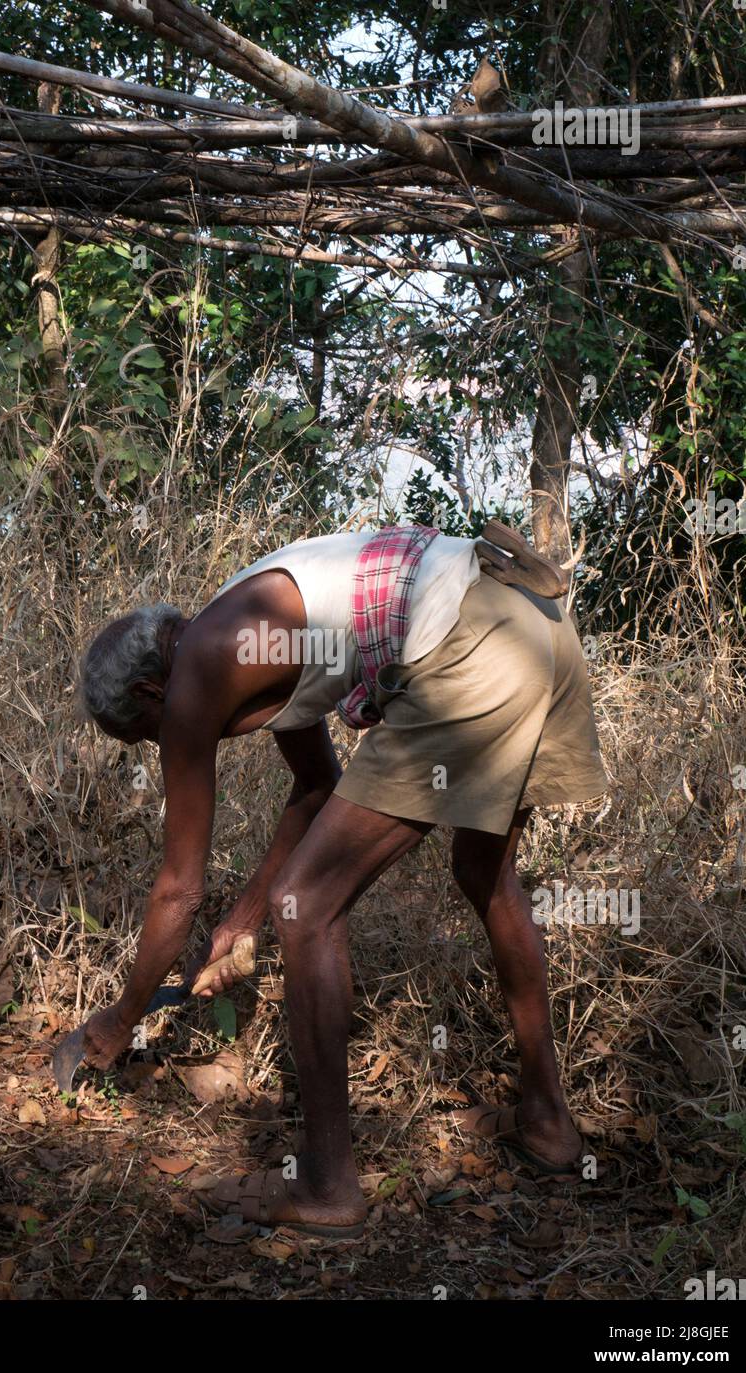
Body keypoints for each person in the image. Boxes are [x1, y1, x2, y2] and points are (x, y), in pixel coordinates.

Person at [74, 523, 607, 1237]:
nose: (167, 741)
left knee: (310, 909)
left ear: (151, 690)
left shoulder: (201, 667)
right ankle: (547, 1123)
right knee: (486, 873)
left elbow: (177, 887)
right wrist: (243, 921)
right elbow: (317, 784)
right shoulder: (245, 630)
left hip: (470, 639)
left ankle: (328, 1187)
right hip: (533, 626)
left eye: (150, 731)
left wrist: (119, 1018)